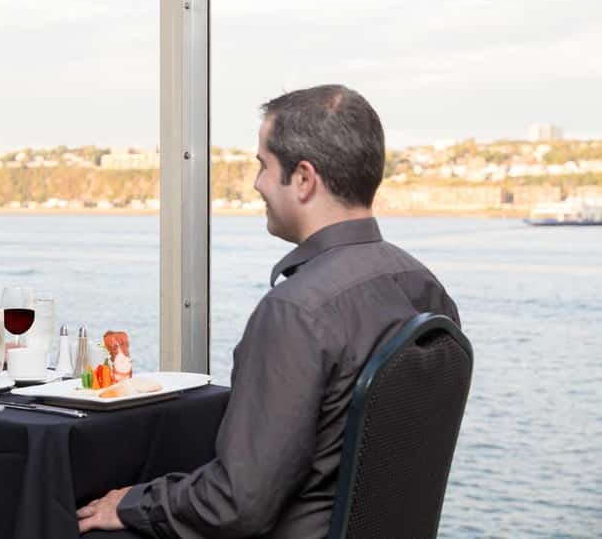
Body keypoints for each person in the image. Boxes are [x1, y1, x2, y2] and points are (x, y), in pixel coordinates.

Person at [76, 85, 460, 537]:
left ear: (304, 179)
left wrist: (133, 504)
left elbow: (239, 504)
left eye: (263, 165)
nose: (257, 183)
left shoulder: (297, 311)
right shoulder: (427, 289)